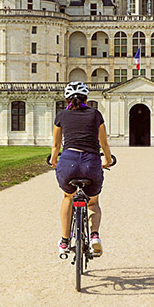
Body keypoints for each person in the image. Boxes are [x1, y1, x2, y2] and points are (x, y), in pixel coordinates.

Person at [49, 81, 114, 256]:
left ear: (67, 99)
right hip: (91, 162)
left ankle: (64, 240)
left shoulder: (61, 115)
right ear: (86, 98)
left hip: (68, 162)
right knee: (93, 202)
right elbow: (104, 143)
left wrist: (54, 161)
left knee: (68, 198)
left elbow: (56, 146)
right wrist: (107, 160)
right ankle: (94, 237)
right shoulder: (95, 114)